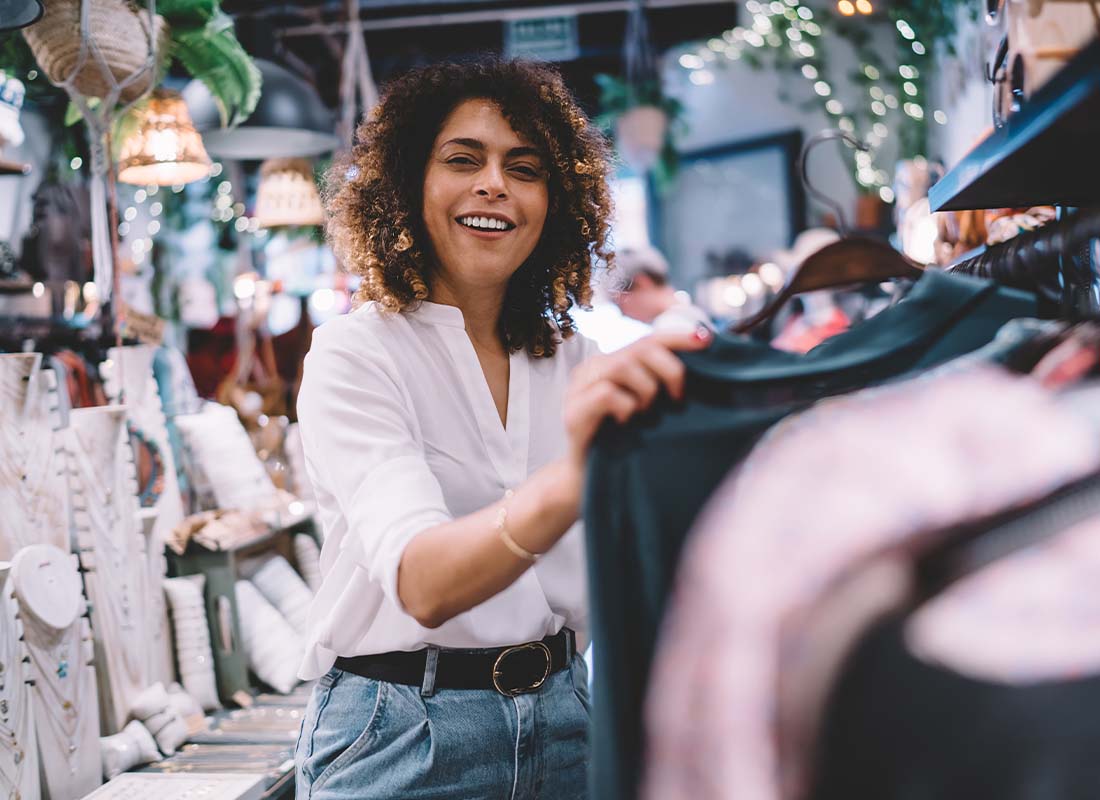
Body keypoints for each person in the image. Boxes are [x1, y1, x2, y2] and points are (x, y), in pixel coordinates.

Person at [292, 58, 711, 800]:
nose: (494, 183)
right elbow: (423, 583)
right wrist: (584, 469)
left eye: (524, 168)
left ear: (554, 202)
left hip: (567, 716)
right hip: (400, 736)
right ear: (408, 185)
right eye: (463, 160)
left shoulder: (579, 362)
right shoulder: (358, 354)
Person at [608, 245, 712, 333]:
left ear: (642, 282)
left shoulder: (669, 327)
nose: (622, 314)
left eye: (619, 303)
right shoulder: (693, 314)